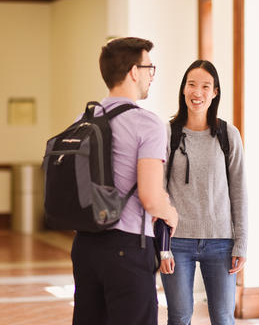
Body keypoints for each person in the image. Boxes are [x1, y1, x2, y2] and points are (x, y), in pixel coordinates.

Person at [71, 37, 178, 325]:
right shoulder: (147, 123)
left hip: (85, 246)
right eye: (149, 68)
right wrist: (172, 214)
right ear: (134, 71)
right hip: (127, 247)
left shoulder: (84, 118)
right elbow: (151, 197)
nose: (151, 76)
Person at [160, 60, 248, 325]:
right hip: (177, 243)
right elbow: (159, 191)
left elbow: (239, 192)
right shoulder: (168, 133)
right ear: (183, 89)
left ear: (215, 92)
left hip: (221, 242)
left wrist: (241, 242)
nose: (197, 92)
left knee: (223, 317)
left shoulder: (228, 134)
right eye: (191, 85)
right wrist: (163, 247)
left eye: (205, 86)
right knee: (179, 317)